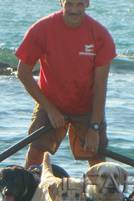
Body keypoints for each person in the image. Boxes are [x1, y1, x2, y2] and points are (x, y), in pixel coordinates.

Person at [15, 0, 117, 168]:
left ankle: (100, 192)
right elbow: (23, 73)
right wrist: (50, 109)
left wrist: (95, 127)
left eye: (79, 4)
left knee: (97, 155)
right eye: (69, 4)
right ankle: (30, 188)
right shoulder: (42, 29)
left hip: (86, 106)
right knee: (36, 148)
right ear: (60, 2)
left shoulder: (100, 34)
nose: (74, 10)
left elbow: (100, 87)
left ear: (87, 3)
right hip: (51, 102)